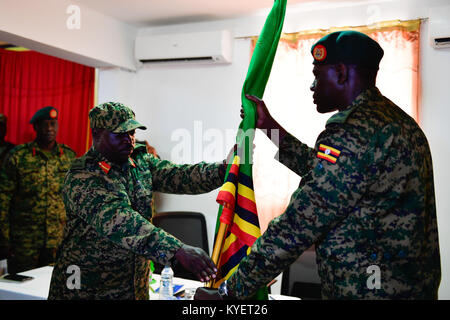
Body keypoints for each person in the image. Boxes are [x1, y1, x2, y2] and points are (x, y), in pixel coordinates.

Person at [195, 30, 441, 300]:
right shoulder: (394, 121)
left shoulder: (353, 131)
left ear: (342, 73)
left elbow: (299, 221)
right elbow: (325, 174)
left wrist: (230, 290)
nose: (312, 86)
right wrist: (270, 128)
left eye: (318, 75)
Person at [48, 102, 228, 300]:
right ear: (97, 133)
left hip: (133, 286)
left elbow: (179, 176)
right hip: (88, 288)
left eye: (132, 133)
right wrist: (177, 250)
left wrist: (223, 170)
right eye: (120, 134)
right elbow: (122, 222)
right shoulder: (83, 176)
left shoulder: (138, 161)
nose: (129, 140)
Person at [0, 106, 77, 273]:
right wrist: (4, 240)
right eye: (44, 124)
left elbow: (76, 199)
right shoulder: (18, 156)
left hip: (58, 241)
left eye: (53, 124)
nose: (49, 128)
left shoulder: (69, 157)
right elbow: (3, 200)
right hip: (25, 243)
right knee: (20, 293)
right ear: (35, 127)